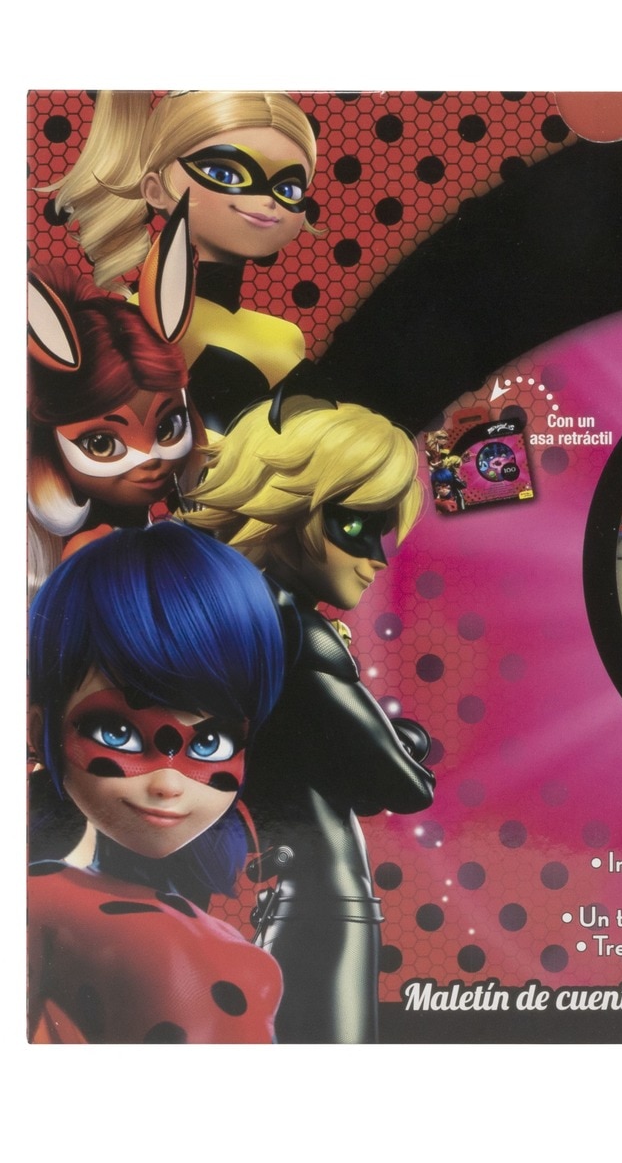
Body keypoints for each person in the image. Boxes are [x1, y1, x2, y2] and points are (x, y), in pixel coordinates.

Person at [184, 395, 436, 1042]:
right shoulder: (297, 635)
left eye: (383, 530)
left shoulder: (239, 627)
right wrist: (406, 742)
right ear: (286, 507)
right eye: (354, 525)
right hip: (327, 905)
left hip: (293, 897)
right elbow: (406, 786)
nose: (378, 556)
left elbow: (347, 775)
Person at [27, 522, 286, 1043]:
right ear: (40, 730)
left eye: (209, 742)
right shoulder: (45, 906)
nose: (168, 783)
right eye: (119, 733)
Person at [49, 90, 320, 431]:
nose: (267, 201)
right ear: (154, 190)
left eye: (288, 189)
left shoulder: (286, 335)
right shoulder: (135, 325)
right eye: (225, 174)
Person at [27, 199, 203, 597]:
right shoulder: (91, 552)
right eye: (102, 444)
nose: (150, 458)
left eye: (168, 427)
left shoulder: (155, 534)